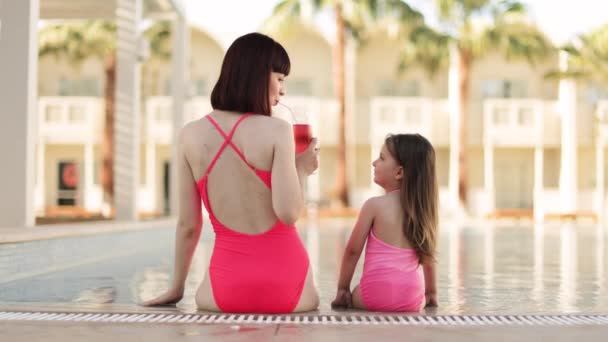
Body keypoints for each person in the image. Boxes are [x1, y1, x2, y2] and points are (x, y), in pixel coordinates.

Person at [142, 32, 320, 313]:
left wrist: (176, 289)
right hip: (289, 290)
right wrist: (301, 170)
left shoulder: (189, 135)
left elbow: (189, 226)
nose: (283, 90)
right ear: (260, 76)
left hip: (224, 292)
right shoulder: (278, 130)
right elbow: (289, 213)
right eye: (280, 78)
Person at [331, 134, 438, 312]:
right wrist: (432, 294)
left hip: (373, 295)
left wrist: (343, 290)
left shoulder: (374, 206)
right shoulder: (423, 212)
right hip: (412, 298)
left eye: (381, 158)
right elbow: (428, 257)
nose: (374, 162)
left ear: (399, 173)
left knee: (357, 293)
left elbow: (352, 252)